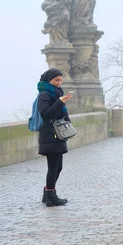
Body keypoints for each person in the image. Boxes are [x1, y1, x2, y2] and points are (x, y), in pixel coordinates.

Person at [37, 68, 73, 207]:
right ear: (49, 80)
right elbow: (46, 114)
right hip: (49, 135)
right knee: (53, 167)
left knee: (58, 167)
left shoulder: (57, 93)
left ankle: (47, 195)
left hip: (57, 135)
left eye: (60, 80)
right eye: (56, 80)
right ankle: (51, 197)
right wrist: (60, 102)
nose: (59, 83)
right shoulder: (44, 94)